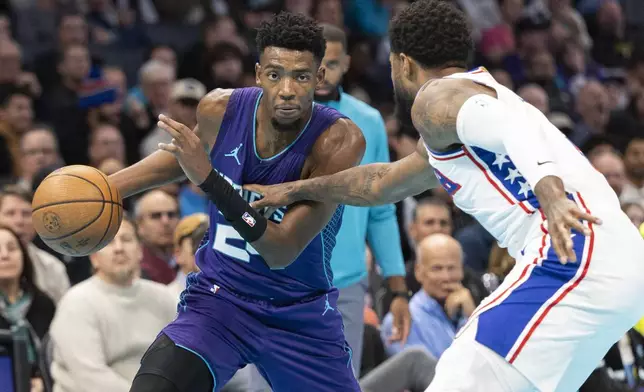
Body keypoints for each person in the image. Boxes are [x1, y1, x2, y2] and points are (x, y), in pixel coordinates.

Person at [247, 1, 644, 391]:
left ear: (402, 63)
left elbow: (511, 125)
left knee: (460, 375)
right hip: (616, 264)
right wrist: (298, 188)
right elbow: (381, 183)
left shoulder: (435, 99)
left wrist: (550, 192)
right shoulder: (459, 115)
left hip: (574, 252)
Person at [109, 12, 366, 392]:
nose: (287, 89)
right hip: (219, 301)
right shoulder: (220, 109)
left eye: (301, 76)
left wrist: (210, 180)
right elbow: (185, 156)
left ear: (320, 79)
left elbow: (282, 249)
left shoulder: (338, 142)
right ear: (259, 73)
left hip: (299, 315)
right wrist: (106, 188)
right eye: (276, 74)